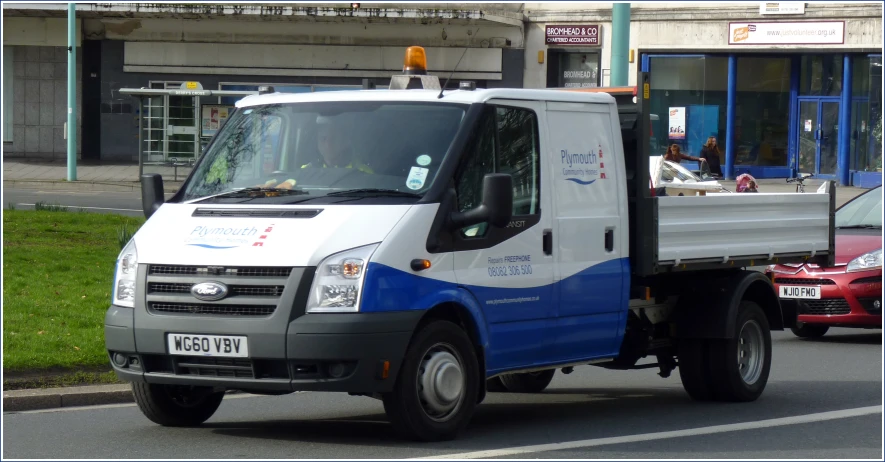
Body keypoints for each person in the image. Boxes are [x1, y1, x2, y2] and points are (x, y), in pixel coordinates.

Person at [301, 116, 373, 173]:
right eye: (323, 139)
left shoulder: (363, 172)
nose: (328, 144)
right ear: (317, 142)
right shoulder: (305, 172)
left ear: (345, 141)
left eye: (334, 138)